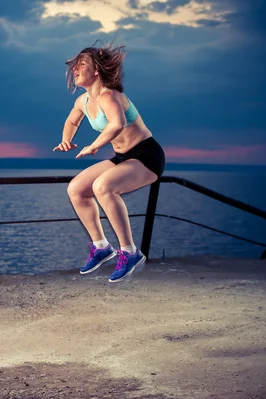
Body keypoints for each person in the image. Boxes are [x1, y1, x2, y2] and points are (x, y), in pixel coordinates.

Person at [53, 41, 166, 283]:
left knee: (103, 187)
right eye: (75, 65)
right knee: (76, 189)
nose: (75, 69)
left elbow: (117, 124)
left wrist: (94, 145)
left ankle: (130, 252)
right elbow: (72, 122)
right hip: (123, 157)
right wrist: (66, 140)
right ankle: (101, 246)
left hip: (147, 155)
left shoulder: (109, 95)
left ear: (96, 70)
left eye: (81, 64)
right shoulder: (83, 101)